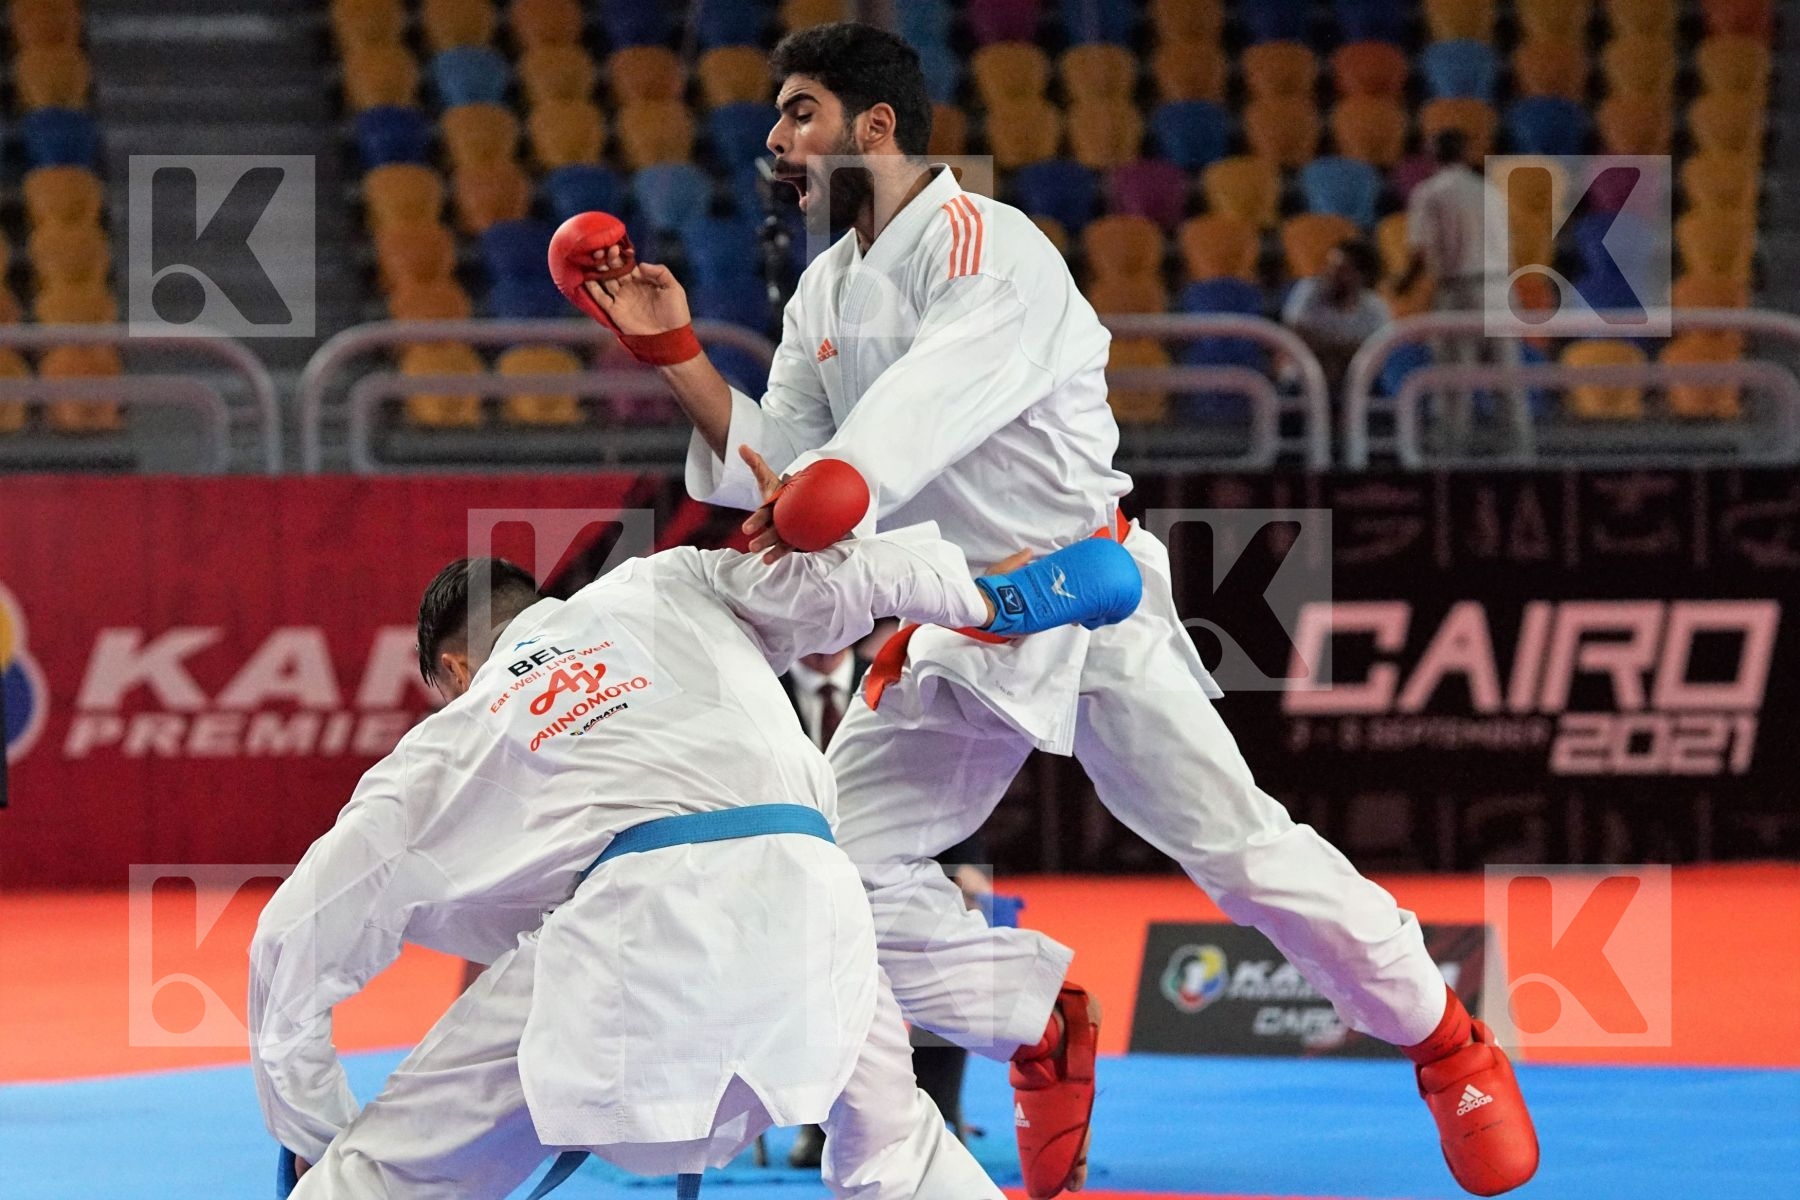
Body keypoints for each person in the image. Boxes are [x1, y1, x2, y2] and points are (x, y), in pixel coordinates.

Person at [559, 22, 1541, 1199]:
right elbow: (785, 466)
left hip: (1085, 601)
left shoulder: (992, 250)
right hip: (949, 627)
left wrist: (835, 494)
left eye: (800, 111)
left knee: (1241, 859)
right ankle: (1035, 1018)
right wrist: (670, 352)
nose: (776, 137)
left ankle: (1447, 1044)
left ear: (875, 127)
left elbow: (911, 423)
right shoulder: (827, 285)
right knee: (820, 878)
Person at [247, 460, 1143, 1200]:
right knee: (894, 1153)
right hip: (820, 904)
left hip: (641, 935)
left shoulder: (451, 735)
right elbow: (831, 575)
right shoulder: (662, 580)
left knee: (379, 1179)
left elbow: (292, 943)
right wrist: (984, 604)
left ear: (453, 666)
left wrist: (314, 1133)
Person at [1394, 129, 1530, 456]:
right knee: (1508, 383)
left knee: (1455, 384)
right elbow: (1507, 249)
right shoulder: (1490, 191)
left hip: (1460, 290)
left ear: (1433, 154)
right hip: (1499, 287)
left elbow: (1420, 253)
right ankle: (1521, 457)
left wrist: (1402, 285)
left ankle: (1450, 461)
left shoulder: (1430, 192)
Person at [1280, 239, 1391, 395]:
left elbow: (1376, 353)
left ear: (1362, 276)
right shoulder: (1307, 291)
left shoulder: (1376, 308)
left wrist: (1325, 346)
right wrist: (1345, 351)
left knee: (1380, 395)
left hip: (1356, 383)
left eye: (1341, 270)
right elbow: (1297, 338)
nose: (1331, 274)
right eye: (1329, 266)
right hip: (1303, 378)